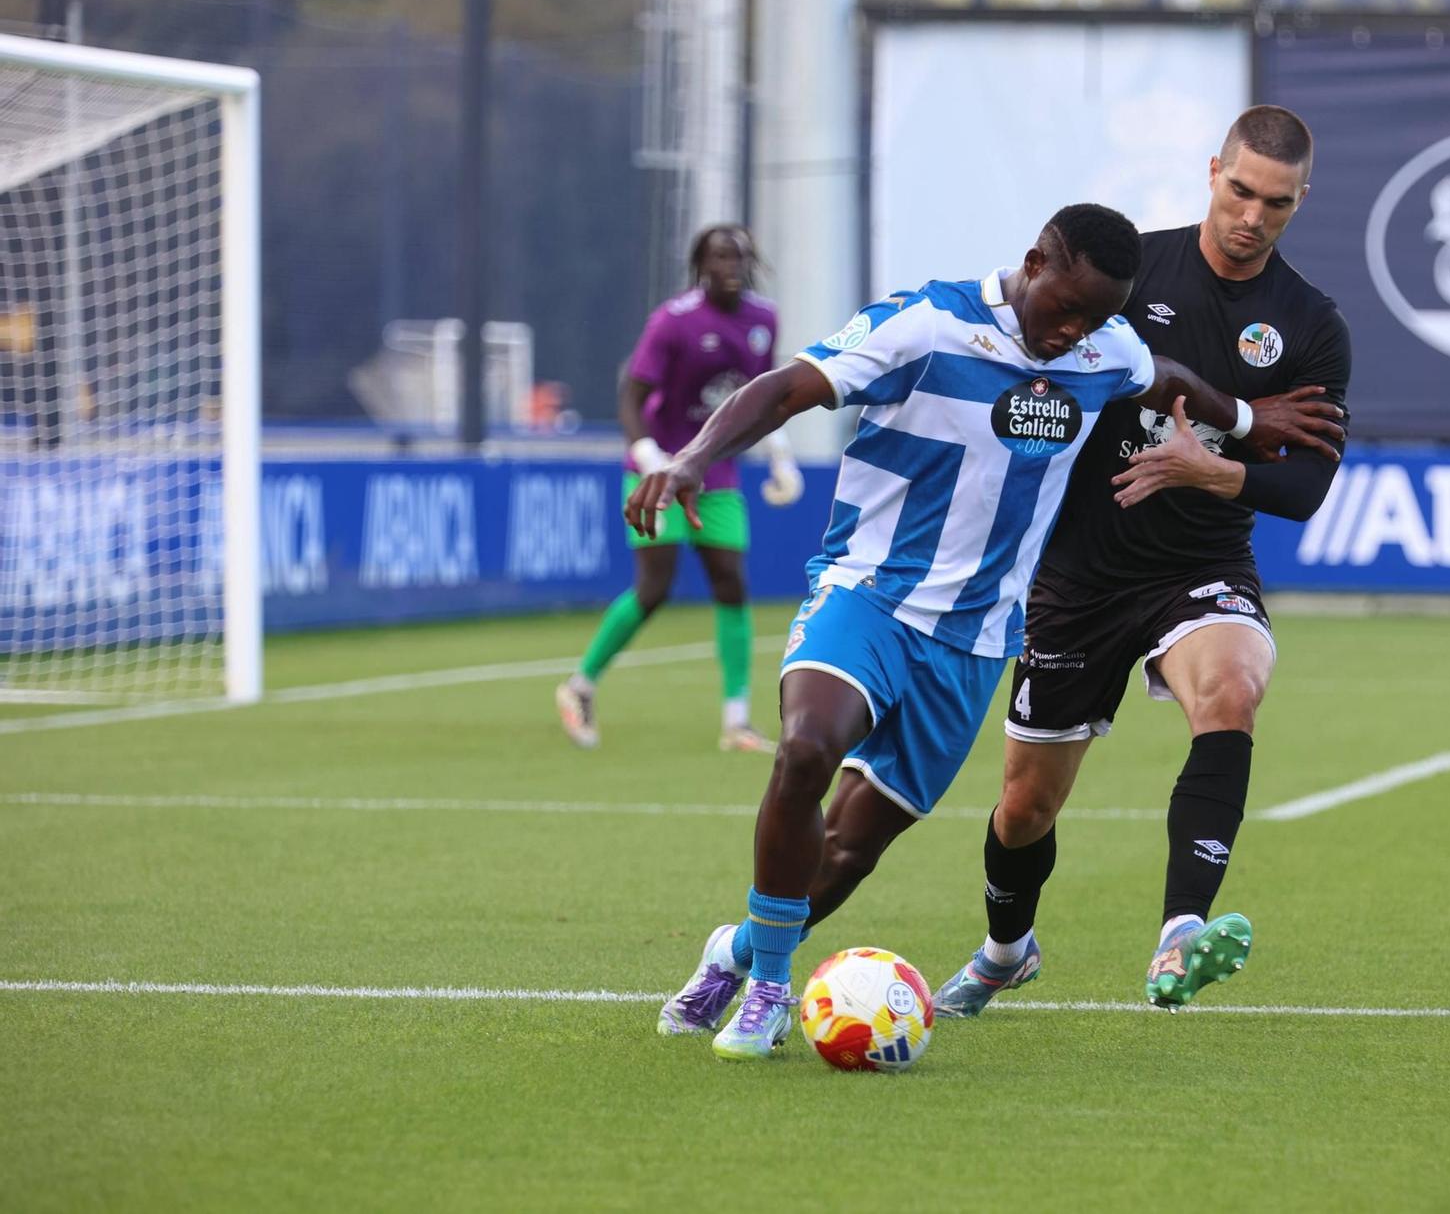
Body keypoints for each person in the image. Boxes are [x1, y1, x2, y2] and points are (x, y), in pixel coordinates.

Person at [637, 203, 1343, 1061]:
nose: (1073, 331)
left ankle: (736, 952)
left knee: (851, 848)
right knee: (807, 747)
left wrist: (1249, 421)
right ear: (1035, 262)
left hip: (973, 641)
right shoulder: (928, 323)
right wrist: (692, 457)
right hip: (869, 593)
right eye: (1066, 308)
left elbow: (1163, 376)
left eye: (1097, 318)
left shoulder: (1104, 349)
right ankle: (771, 991)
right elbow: (787, 387)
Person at [932, 106, 1353, 1017]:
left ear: (1300, 201)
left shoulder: (1311, 323)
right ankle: (1006, 950)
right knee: (1024, 807)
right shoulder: (1127, 276)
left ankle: (1180, 931)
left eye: (1277, 203)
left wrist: (1213, 471)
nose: (1253, 217)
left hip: (1200, 565)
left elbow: (1307, 486)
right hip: (1076, 576)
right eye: (1241, 191)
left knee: (1232, 689)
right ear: (1213, 172)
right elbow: (1037, 364)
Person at [557, 225, 803, 755]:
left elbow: (764, 396)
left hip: (716, 470)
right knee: (655, 586)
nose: (731, 266)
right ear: (700, 264)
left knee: (731, 583)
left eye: (739, 257)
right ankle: (580, 686)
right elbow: (631, 397)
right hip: (660, 467)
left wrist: (780, 455)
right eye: (720, 257)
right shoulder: (673, 321)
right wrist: (650, 459)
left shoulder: (763, 320)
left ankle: (736, 721)